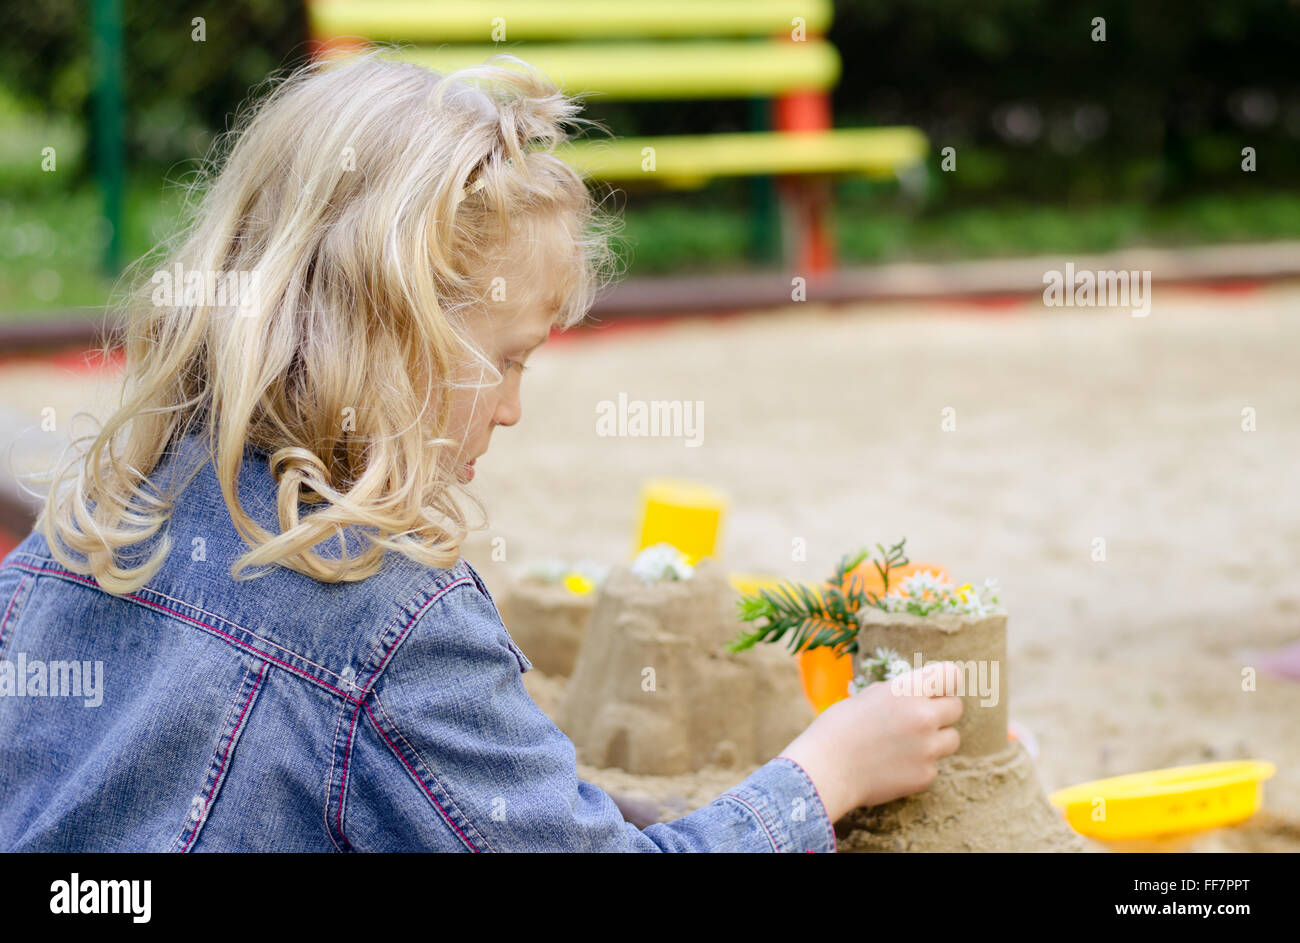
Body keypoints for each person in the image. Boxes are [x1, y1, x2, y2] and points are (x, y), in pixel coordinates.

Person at [0, 49, 962, 852]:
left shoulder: (97, 510)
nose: (510, 409)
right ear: (392, 337)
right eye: (507, 360)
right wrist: (827, 768)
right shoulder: (387, 617)